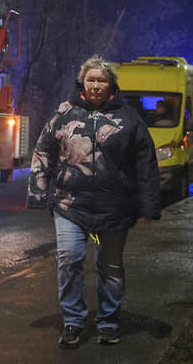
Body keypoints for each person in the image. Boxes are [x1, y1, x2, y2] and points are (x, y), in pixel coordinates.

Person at [28, 56, 161, 348]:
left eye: (101, 80)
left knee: (110, 267)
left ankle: (108, 322)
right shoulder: (64, 114)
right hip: (70, 207)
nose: (96, 85)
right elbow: (43, 152)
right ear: (82, 82)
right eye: (91, 80)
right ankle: (73, 322)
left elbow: (146, 163)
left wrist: (150, 205)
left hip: (113, 210)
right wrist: (38, 192)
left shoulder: (128, 118)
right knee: (69, 260)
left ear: (111, 83)